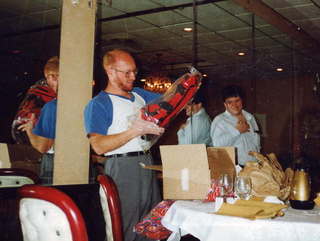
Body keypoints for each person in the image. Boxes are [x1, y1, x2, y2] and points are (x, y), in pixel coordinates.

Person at [84, 49, 164, 241]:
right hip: (122, 167)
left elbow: (169, 100)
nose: (133, 77)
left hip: (146, 162)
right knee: (125, 227)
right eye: (127, 72)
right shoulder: (99, 103)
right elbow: (98, 146)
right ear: (110, 72)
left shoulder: (139, 95)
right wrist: (134, 131)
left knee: (152, 225)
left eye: (134, 71)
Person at [17, 57, 59, 184]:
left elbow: (43, 147)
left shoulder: (52, 106)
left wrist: (30, 131)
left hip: (54, 165)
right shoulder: (84, 103)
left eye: (47, 78)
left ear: (52, 77)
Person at [210, 85, 261, 167]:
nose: (235, 105)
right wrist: (237, 131)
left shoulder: (250, 117)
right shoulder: (220, 121)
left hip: (254, 166)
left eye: (237, 100)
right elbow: (217, 145)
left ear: (242, 101)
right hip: (235, 168)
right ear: (225, 105)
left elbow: (256, 140)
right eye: (230, 102)